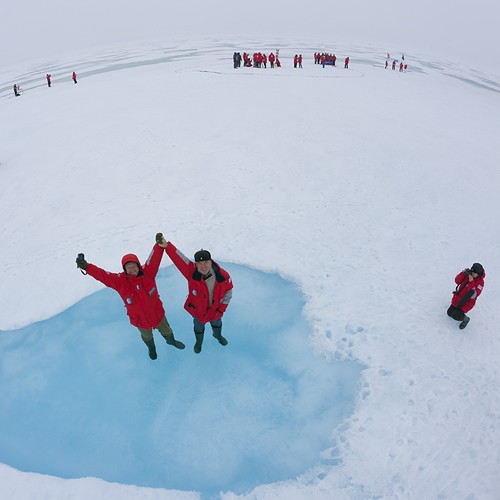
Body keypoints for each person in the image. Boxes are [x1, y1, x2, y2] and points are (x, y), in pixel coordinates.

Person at [75, 233, 185, 360]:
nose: (132, 269)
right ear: (124, 269)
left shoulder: (148, 273)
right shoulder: (119, 281)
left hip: (157, 314)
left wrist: (159, 244)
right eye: (128, 267)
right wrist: (86, 267)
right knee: (147, 336)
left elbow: (154, 258)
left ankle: (171, 341)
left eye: (134, 266)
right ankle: (151, 348)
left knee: (167, 331)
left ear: (139, 266)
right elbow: (102, 275)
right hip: (140, 320)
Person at [161, 235, 233, 354]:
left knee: (217, 323)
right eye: (200, 263)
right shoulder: (191, 272)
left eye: (206, 262)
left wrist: (221, 310)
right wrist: (167, 246)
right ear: (196, 264)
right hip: (198, 311)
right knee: (198, 327)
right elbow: (179, 259)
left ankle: (218, 336)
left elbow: (228, 292)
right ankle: (199, 342)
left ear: (211, 262)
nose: (203, 266)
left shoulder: (223, 276)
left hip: (215, 311)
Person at [447, 263, 485, 329]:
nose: (472, 274)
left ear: (478, 274)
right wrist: (463, 273)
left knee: (455, 316)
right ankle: (457, 311)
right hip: (458, 299)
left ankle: (466, 319)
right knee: (449, 313)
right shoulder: (468, 275)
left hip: (466, 303)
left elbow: (473, 295)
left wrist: (471, 282)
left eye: (475, 273)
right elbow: (457, 281)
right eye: (472, 271)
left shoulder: (480, 283)